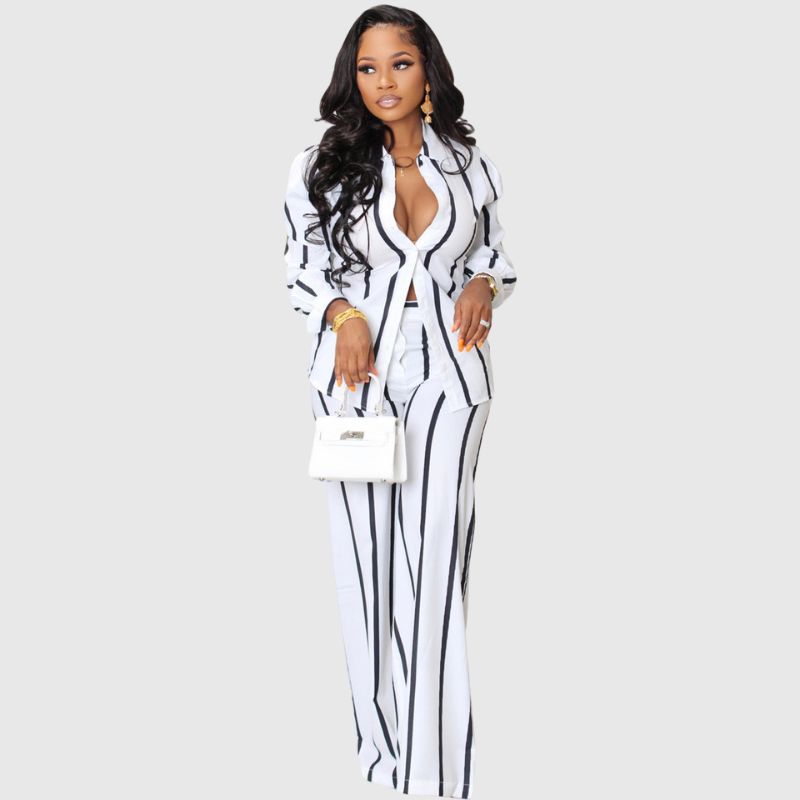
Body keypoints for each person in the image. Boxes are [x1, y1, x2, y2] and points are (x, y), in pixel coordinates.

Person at [282, 7, 517, 798]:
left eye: (401, 63)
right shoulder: (321, 163)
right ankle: (382, 768)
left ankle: (434, 777)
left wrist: (482, 281)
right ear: (352, 76)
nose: (384, 81)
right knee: (367, 572)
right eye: (368, 67)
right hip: (357, 383)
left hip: (454, 378)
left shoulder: (467, 162)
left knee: (437, 573)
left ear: (429, 72)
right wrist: (342, 314)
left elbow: (491, 248)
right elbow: (302, 263)